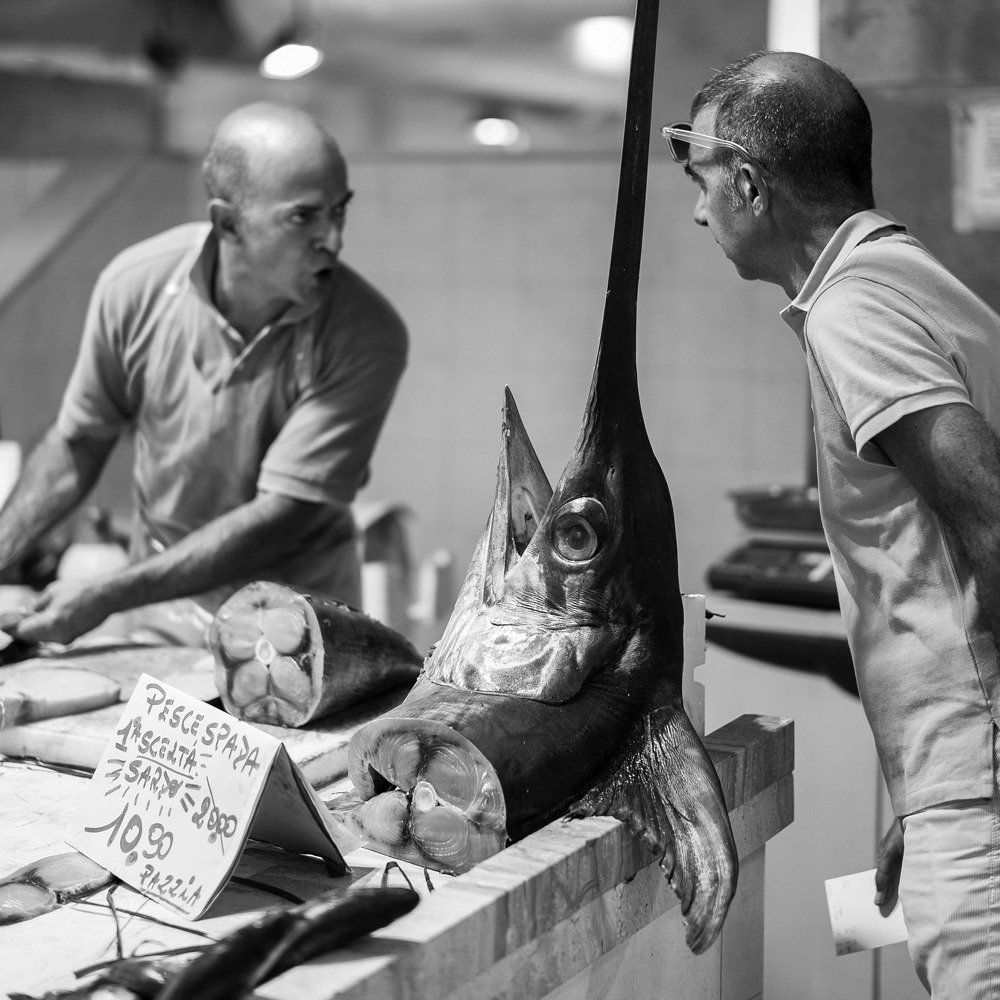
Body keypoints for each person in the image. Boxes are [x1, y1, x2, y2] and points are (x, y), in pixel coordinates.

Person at [665, 51, 1000, 997]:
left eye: (701, 183)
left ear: (750, 183)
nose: (698, 212)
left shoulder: (855, 311)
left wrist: (973, 778)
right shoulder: (909, 278)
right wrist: (927, 790)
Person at [0, 101, 407, 647]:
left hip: (299, 626)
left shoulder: (364, 334)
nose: (333, 239)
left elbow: (281, 514)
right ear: (227, 223)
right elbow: (79, 443)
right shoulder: (137, 287)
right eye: (303, 216)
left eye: (339, 211)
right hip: (159, 616)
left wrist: (103, 594)